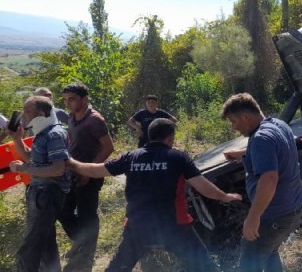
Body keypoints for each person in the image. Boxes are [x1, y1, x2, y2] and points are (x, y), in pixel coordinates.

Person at [66, 118, 242, 271]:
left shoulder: (131, 157)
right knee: (205, 268)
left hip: (137, 227)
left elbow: (97, 170)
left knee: (117, 269)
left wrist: (72, 163)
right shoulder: (177, 157)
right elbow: (203, 186)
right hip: (175, 227)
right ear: (170, 137)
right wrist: (225, 196)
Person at [221, 93, 302, 272]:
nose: (234, 127)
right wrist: (245, 153)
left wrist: (253, 217)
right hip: (292, 208)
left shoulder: (260, 139)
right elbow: (276, 150)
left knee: (249, 264)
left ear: (245, 117)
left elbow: (269, 179)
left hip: (274, 215)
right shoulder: (279, 125)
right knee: (269, 252)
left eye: (233, 121)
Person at [8, 96, 70, 272]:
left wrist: (24, 169)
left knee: (29, 249)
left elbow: (58, 169)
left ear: (41, 113)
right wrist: (17, 139)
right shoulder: (42, 134)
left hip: (49, 194)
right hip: (40, 194)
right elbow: (31, 158)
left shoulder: (54, 134)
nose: (24, 115)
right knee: (46, 245)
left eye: (27, 110)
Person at [60, 82, 114, 272]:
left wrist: (89, 172)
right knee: (63, 210)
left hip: (89, 174)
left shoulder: (95, 120)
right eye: (66, 99)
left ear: (85, 98)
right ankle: (81, 242)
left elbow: (108, 147)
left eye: (72, 99)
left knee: (87, 214)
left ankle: (87, 252)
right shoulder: (72, 117)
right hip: (71, 172)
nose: (68, 103)